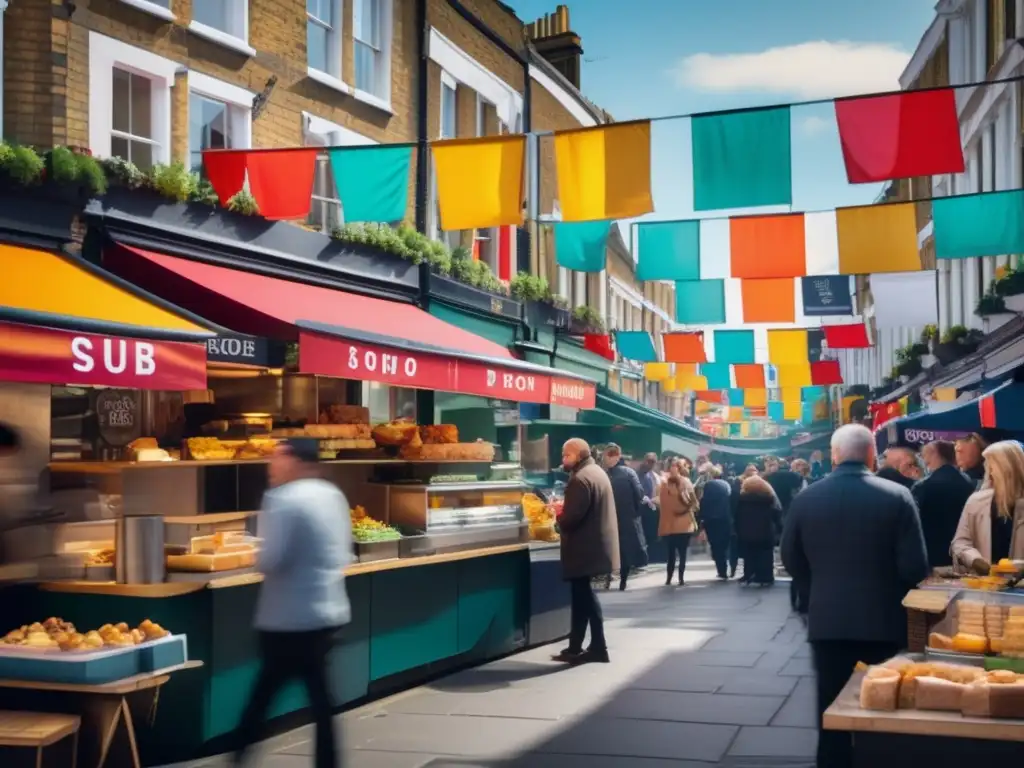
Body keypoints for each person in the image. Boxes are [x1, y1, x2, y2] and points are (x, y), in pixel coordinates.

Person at [781, 424, 929, 768]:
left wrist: (815, 588)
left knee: (831, 713)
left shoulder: (806, 498)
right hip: (884, 623)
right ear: (871, 455)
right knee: (881, 711)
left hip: (828, 622)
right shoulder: (897, 496)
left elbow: (790, 557)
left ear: (834, 455)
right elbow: (915, 566)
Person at [234, 439, 352, 768]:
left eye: (276, 456)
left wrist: (255, 554)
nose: (270, 464)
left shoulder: (282, 499)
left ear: (292, 459)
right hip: (328, 610)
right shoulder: (333, 494)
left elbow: (272, 559)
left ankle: (237, 755)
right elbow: (344, 550)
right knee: (321, 701)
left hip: (287, 618)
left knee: (263, 695)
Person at [553, 438, 617, 664]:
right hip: (595, 546)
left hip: (584, 548)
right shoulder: (596, 472)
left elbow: (572, 517)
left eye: (566, 455)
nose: (563, 459)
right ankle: (575, 647)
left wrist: (557, 517)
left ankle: (599, 647)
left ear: (578, 455)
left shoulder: (580, 479)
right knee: (582, 598)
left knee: (586, 598)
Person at [951, 440, 1024, 574]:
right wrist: (974, 560)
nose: (988, 471)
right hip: (986, 584)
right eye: (987, 465)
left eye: (992, 465)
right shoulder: (976, 501)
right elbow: (960, 542)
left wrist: (1018, 567)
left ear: (1008, 468)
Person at [913, 440, 975, 568]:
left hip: (931, 554)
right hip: (962, 552)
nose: (923, 460)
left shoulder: (924, 486)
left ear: (935, 454)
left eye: (924, 455)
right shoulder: (968, 482)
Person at [602, 444, 648, 591]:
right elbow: (639, 494)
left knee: (611, 549)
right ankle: (622, 580)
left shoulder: (605, 474)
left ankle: (610, 578)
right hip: (627, 518)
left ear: (614, 456)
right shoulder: (629, 473)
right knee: (625, 550)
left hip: (609, 518)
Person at [734, 475, 782, 586]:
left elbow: (737, 517)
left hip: (746, 533)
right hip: (766, 532)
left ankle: (749, 574)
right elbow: (777, 515)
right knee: (766, 555)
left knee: (749, 554)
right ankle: (765, 577)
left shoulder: (741, 500)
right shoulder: (769, 500)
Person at [658, 459, 699, 586]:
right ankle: (677, 578)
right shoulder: (683, 482)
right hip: (679, 524)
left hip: (672, 524)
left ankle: (672, 578)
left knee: (674, 554)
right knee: (678, 554)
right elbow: (695, 504)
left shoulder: (663, 483)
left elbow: (659, 501)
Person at [698, 465, 732, 579]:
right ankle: (726, 567)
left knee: (715, 545)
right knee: (723, 544)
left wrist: (701, 519)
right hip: (725, 518)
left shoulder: (708, 485)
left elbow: (704, 502)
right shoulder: (727, 485)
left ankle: (721, 570)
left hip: (711, 520)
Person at [729, 464, 758, 578]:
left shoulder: (738, 485)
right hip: (747, 523)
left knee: (738, 548)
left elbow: (732, 504)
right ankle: (747, 572)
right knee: (746, 549)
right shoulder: (759, 487)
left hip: (741, 522)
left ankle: (736, 570)